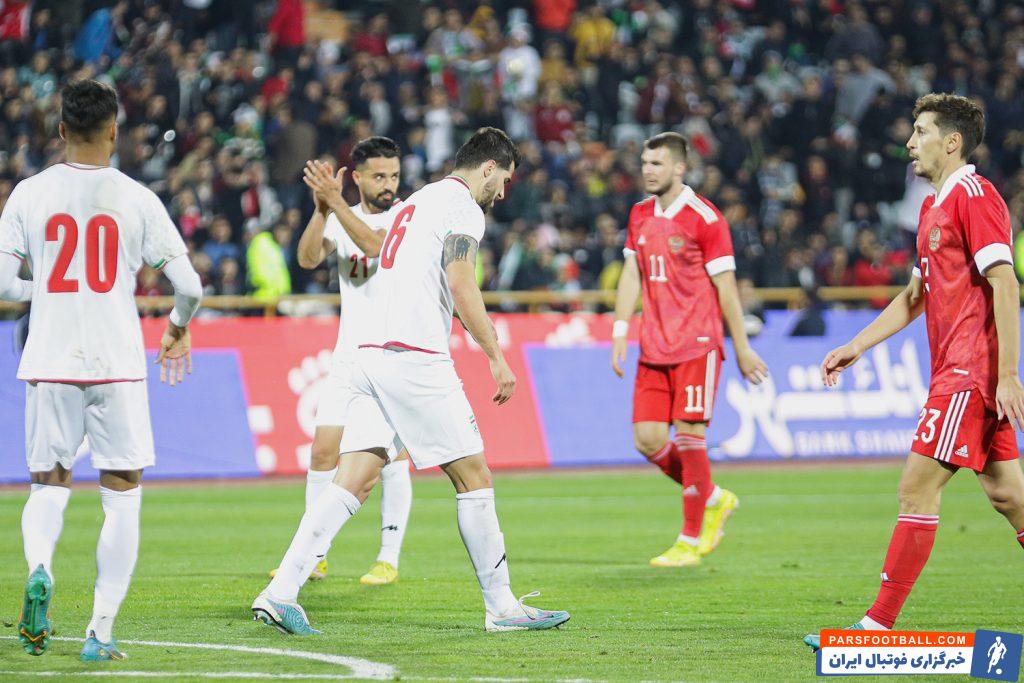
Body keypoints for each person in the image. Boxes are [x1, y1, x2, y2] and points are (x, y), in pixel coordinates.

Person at [251, 127, 569, 634]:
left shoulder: (418, 201)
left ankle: (280, 592)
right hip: (415, 358)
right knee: (474, 477)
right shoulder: (463, 207)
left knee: (354, 478)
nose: (503, 193)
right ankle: (503, 607)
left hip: (371, 355)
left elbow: (392, 259)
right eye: (504, 180)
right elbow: (461, 282)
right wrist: (495, 355)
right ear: (488, 168)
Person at [805, 94, 1024, 650]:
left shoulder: (975, 197)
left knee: (916, 489)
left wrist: (1007, 374)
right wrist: (856, 345)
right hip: (959, 373)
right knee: (1010, 497)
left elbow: (1005, 282)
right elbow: (913, 296)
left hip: (970, 373)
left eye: (920, 131)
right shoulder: (931, 208)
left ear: (952, 142)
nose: (909, 142)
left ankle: (876, 626)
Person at [0, 79, 201, 660]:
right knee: (122, 494)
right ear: (114, 132)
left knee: (48, 484)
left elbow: (4, 283)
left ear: (61, 129)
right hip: (116, 364)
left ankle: (40, 569)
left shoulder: (30, 193)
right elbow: (189, 286)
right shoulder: (136, 198)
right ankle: (100, 632)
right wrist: (177, 326)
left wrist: (44, 290)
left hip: (50, 360)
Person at [611, 132, 767, 568]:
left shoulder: (705, 218)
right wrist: (621, 329)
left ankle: (690, 539)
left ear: (680, 168)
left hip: (696, 344)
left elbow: (726, 288)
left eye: (657, 163)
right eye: (645, 162)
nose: (647, 170)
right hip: (654, 345)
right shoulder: (639, 214)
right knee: (647, 439)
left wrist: (741, 347)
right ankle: (712, 496)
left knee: (689, 436)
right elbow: (632, 274)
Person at [269, 136, 413, 586]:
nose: (389, 184)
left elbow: (373, 246)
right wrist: (320, 210)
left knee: (390, 459)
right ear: (358, 178)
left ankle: (388, 558)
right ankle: (316, 555)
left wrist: (335, 203)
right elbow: (307, 258)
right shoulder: (340, 213)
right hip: (348, 354)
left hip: (392, 355)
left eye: (394, 175)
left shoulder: (404, 215)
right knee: (323, 451)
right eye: (379, 176)